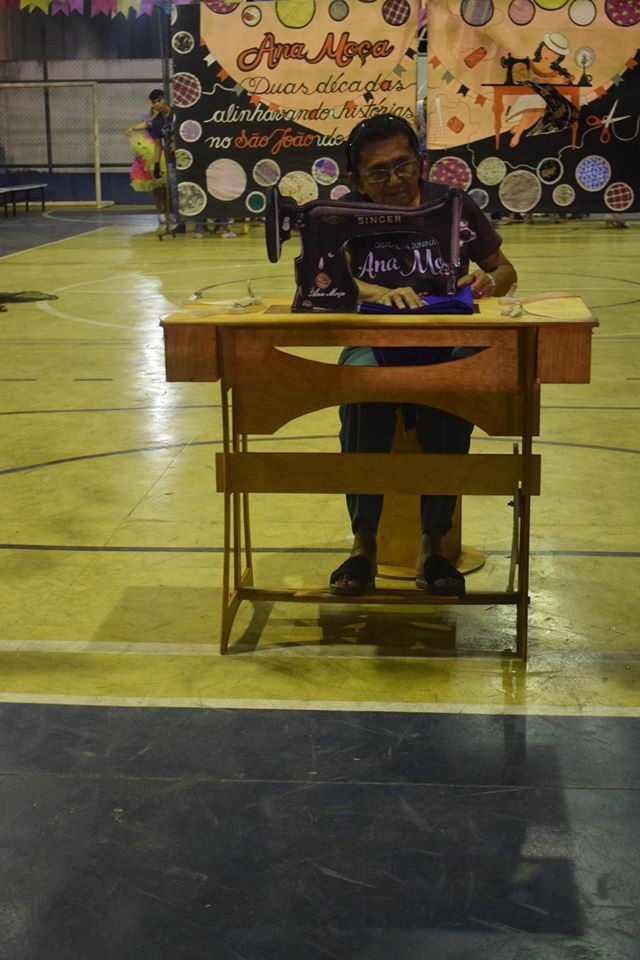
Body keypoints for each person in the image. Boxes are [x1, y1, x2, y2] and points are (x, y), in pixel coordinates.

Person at [329, 113, 517, 598]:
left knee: (453, 391)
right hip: (374, 340)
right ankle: (363, 543)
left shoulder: (453, 205)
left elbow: (504, 270)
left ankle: (432, 543)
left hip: (445, 341)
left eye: (404, 165)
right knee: (361, 391)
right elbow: (327, 280)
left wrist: (488, 281)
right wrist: (374, 291)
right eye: (378, 172)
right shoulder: (344, 215)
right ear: (357, 180)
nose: (395, 180)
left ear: (421, 163)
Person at [505, 33, 577, 148]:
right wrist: (550, 81)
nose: (549, 55)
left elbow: (562, 87)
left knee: (538, 104)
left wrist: (563, 81)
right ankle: (518, 134)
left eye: (555, 54)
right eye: (547, 50)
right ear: (541, 48)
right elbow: (523, 79)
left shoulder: (556, 73)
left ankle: (519, 130)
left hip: (542, 102)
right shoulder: (528, 64)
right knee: (535, 101)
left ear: (559, 58)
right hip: (525, 99)